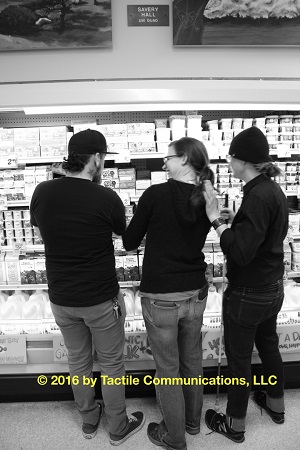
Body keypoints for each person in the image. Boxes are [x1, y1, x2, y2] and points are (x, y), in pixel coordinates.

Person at [30, 129, 144, 444]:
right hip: (99, 298)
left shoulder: (42, 191)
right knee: (111, 365)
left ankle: (89, 421)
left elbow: (40, 229)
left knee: (78, 361)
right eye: (103, 158)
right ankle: (118, 427)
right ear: (95, 158)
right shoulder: (106, 197)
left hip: (61, 298)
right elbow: (125, 236)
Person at [122, 137, 214, 450]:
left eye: (168, 158)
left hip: (162, 295)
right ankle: (191, 424)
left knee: (168, 370)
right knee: (192, 361)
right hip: (196, 292)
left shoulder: (155, 194)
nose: (164, 163)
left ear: (185, 159)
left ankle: (174, 438)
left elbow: (130, 241)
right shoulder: (208, 195)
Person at [203, 126, 288, 443]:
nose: (228, 161)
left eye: (231, 157)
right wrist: (234, 220)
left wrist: (216, 221)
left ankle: (235, 425)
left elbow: (239, 252)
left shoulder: (256, 197)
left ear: (242, 161)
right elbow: (263, 236)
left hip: (248, 293)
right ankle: (276, 406)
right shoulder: (271, 190)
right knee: (268, 347)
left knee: (239, 361)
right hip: (271, 289)